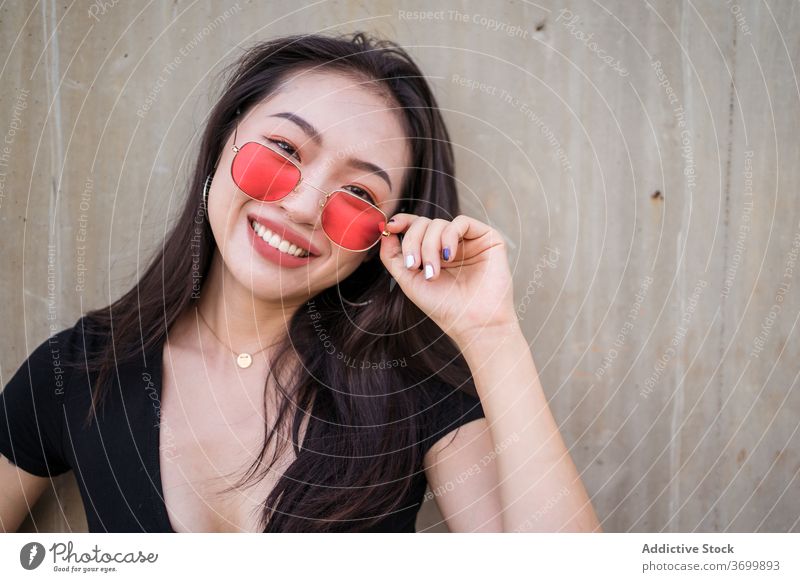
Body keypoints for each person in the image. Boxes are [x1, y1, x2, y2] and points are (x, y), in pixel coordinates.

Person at [0, 31, 600, 533]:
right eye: (284, 149)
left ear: (381, 240)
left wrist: (491, 334)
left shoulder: (415, 394)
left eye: (359, 194)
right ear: (221, 145)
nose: (306, 206)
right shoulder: (76, 371)